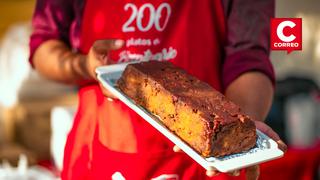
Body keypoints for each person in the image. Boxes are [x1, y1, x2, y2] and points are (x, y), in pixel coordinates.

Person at [29, 0, 287, 179]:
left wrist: (238, 130)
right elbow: (43, 45)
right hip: (103, 147)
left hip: (204, 157)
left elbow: (249, 53)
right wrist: (84, 65)